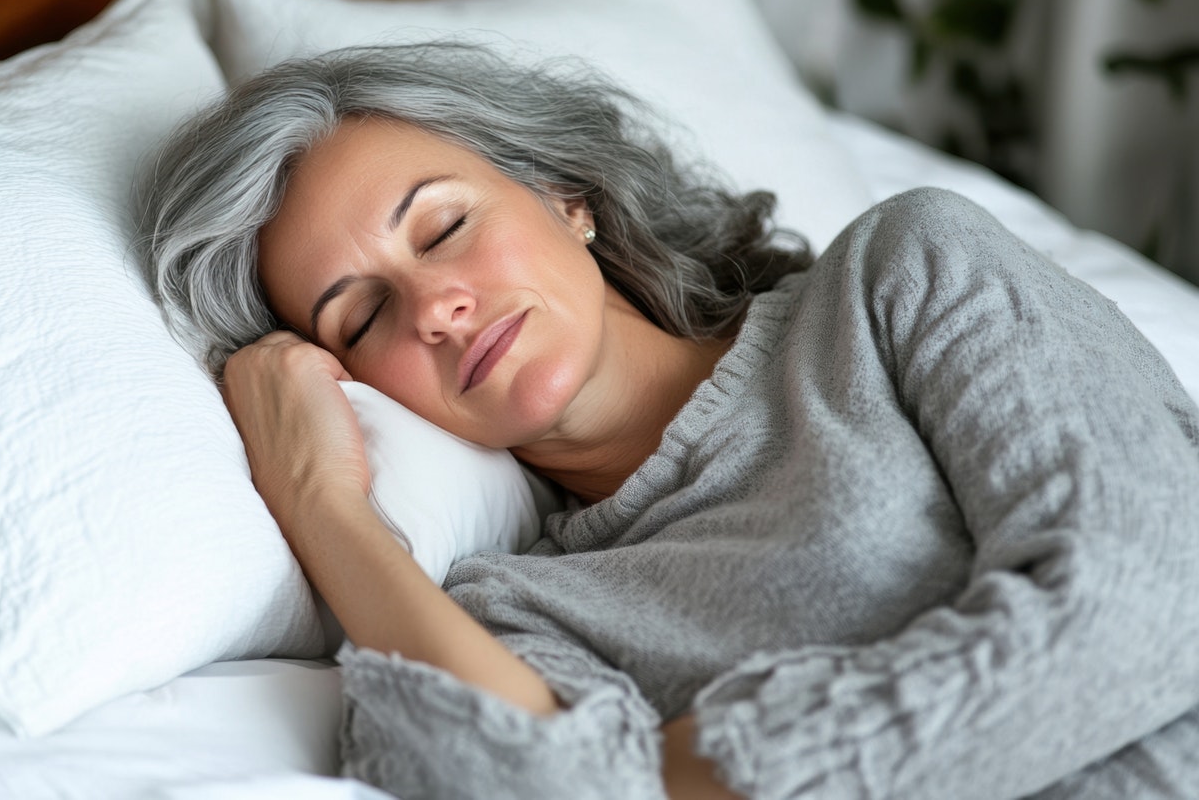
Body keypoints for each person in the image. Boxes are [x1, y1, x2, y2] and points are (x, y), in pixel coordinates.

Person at [139, 43, 1199, 799]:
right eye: (364, 315)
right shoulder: (519, 617)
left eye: (446, 226)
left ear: (567, 198)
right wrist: (323, 505)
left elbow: (1158, 592)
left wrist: (706, 773)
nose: (435, 308)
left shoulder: (899, 281)